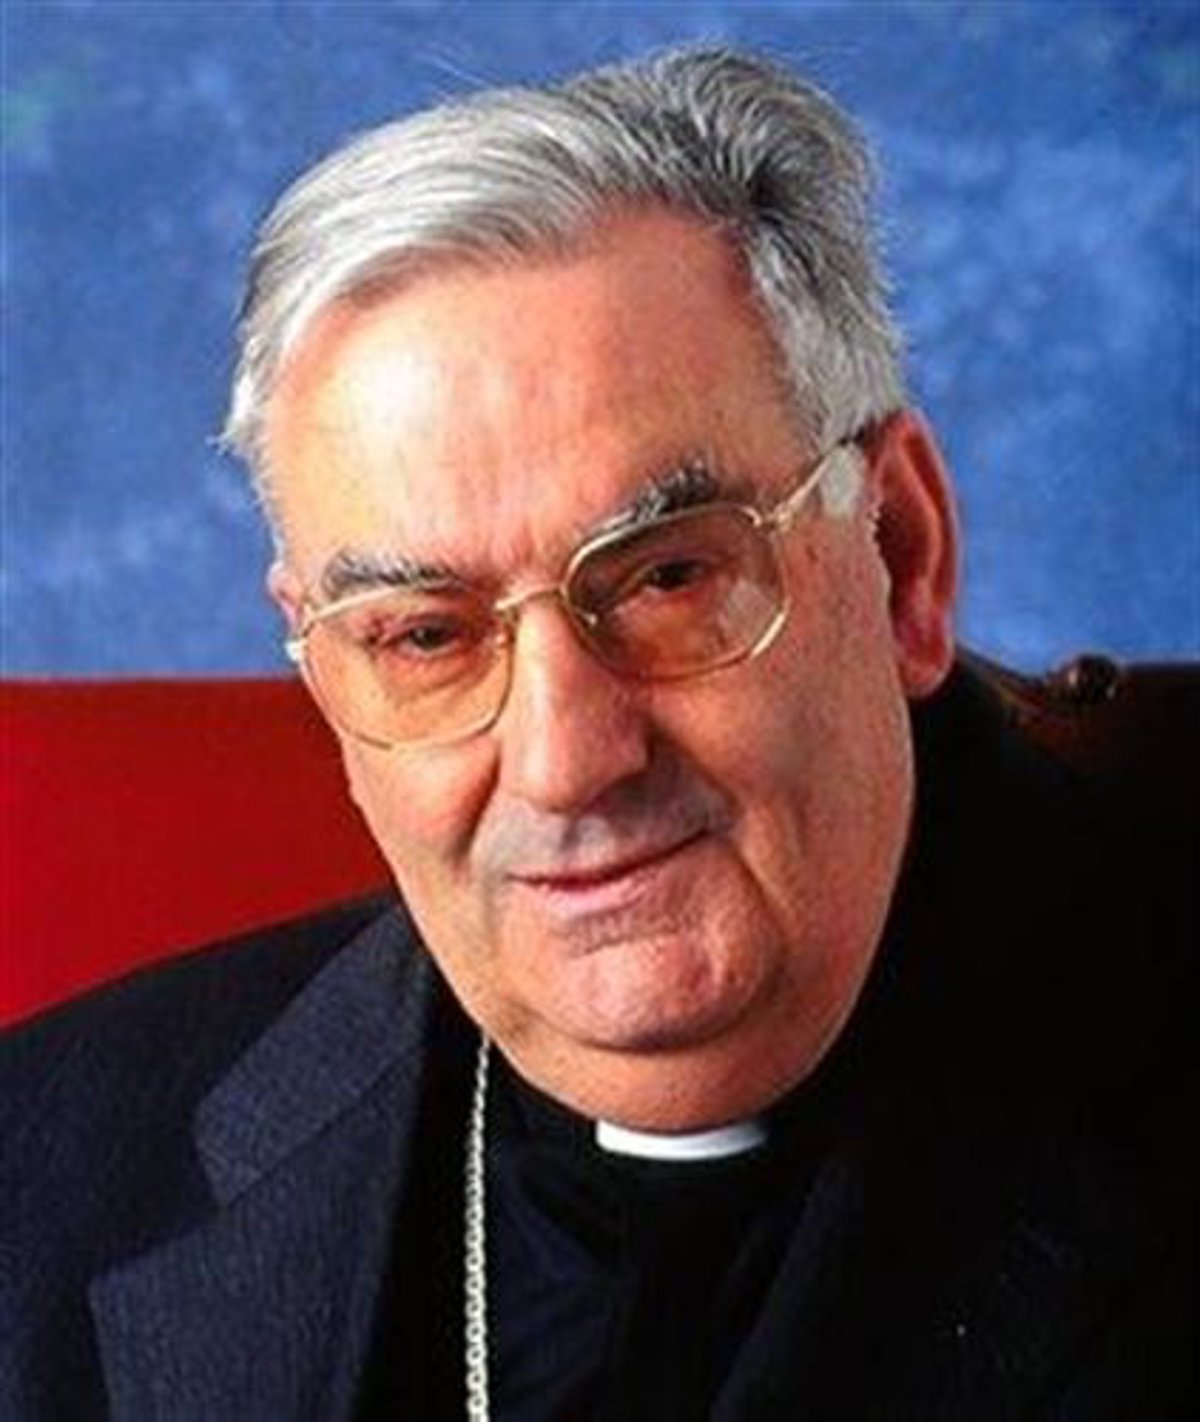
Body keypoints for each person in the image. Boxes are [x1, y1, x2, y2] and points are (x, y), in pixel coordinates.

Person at [2, 45, 1194, 1422]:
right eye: (425, 636)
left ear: (901, 552)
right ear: (326, 672)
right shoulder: (47, 1171)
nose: (567, 759)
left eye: (667, 577)